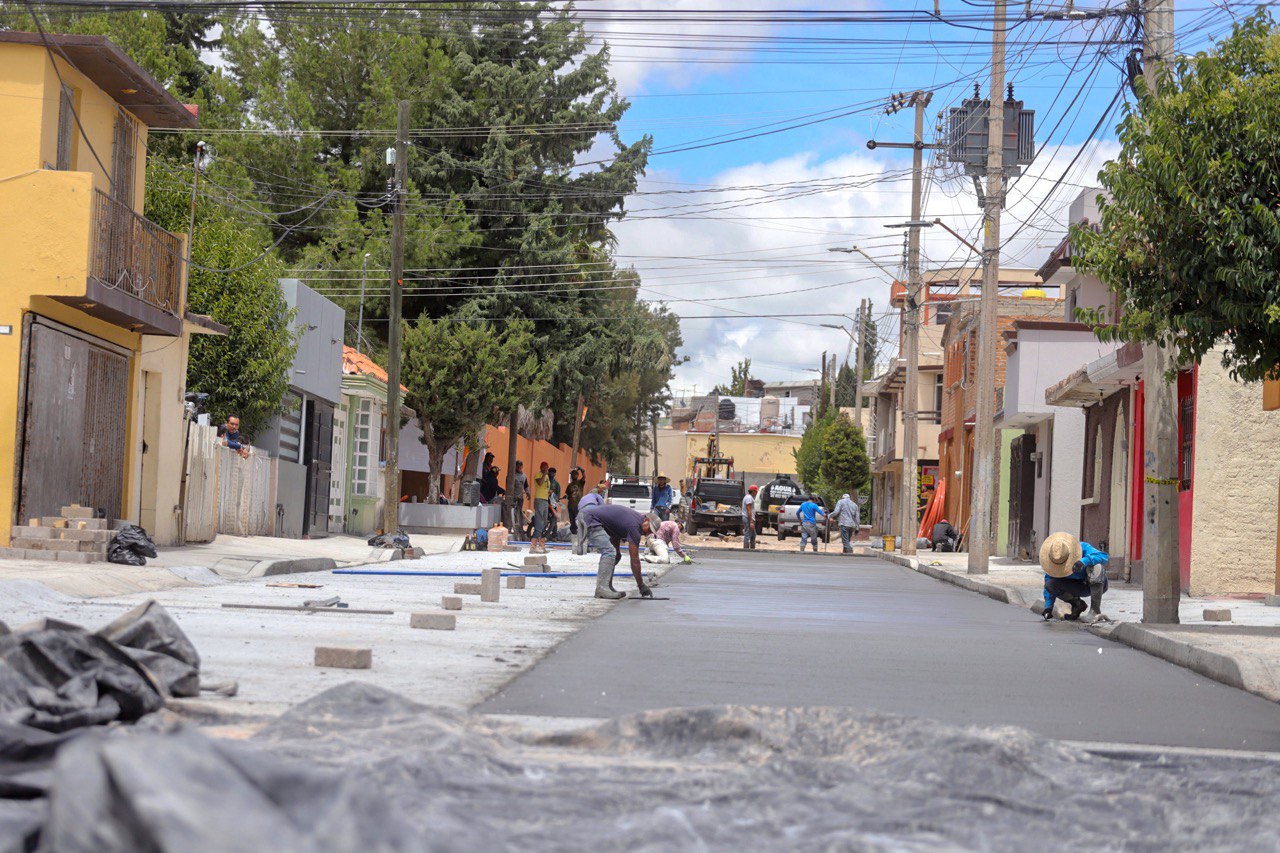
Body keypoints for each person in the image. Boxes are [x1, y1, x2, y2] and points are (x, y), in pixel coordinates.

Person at [578, 502, 658, 600]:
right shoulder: (635, 526)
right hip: (590, 519)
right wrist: (641, 585)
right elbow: (635, 560)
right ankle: (602, 589)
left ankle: (607, 587)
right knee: (609, 552)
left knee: (614, 554)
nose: (647, 534)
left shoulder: (634, 520)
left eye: (650, 532)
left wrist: (618, 553)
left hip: (587, 516)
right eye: (649, 529)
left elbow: (614, 533)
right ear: (646, 520)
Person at [1040, 532, 1109, 622]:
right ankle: (1077, 604)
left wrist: (1084, 561)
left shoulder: (1082, 547)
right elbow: (1049, 581)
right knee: (1050, 585)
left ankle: (1095, 611)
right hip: (1076, 588)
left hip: (1095, 585)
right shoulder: (1053, 563)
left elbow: (1104, 556)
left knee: (1096, 567)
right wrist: (1048, 608)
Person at [573, 485, 605, 555]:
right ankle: (600, 548)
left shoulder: (584, 497)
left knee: (580, 533)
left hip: (579, 515)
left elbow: (579, 507)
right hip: (590, 513)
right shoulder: (597, 496)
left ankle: (580, 550)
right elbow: (603, 508)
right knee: (595, 530)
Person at [532, 461, 551, 553]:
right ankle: (533, 546)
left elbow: (545, 487)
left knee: (544, 522)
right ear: (541, 467)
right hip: (539, 500)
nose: (546, 469)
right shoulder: (538, 475)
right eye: (544, 467)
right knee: (539, 522)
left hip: (545, 500)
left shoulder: (547, 477)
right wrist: (544, 474)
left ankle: (540, 545)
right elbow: (540, 483)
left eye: (547, 467)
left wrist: (549, 492)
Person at [565, 467, 586, 535]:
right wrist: (565, 497)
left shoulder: (580, 482)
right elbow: (567, 495)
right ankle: (574, 535)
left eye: (575, 474)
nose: (573, 476)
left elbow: (584, 477)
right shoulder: (569, 485)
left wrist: (582, 470)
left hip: (578, 505)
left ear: (577, 475)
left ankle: (581, 534)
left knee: (579, 520)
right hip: (571, 505)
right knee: (572, 521)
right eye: (572, 474)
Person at [511, 461, 529, 532]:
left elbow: (526, 486)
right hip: (513, 497)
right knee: (512, 513)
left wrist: (528, 493)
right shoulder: (512, 475)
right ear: (515, 466)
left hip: (520, 498)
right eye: (517, 466)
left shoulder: (524, 476)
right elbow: (509, 486)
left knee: (519, 512)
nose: (519, 467)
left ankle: (520, 528)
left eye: (520, 466)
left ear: (522, 467)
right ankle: (512, 527)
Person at [742, 484, 758, 550]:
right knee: (748, 534)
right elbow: (748, 509)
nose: (756, 493)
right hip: (748, 518)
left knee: (753, 535)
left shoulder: (748, 497)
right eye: (756, 491)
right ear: (753, 491)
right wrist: (751, 521)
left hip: (749, 518)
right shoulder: (749, 498)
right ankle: (746, 549)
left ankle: (752, 548)